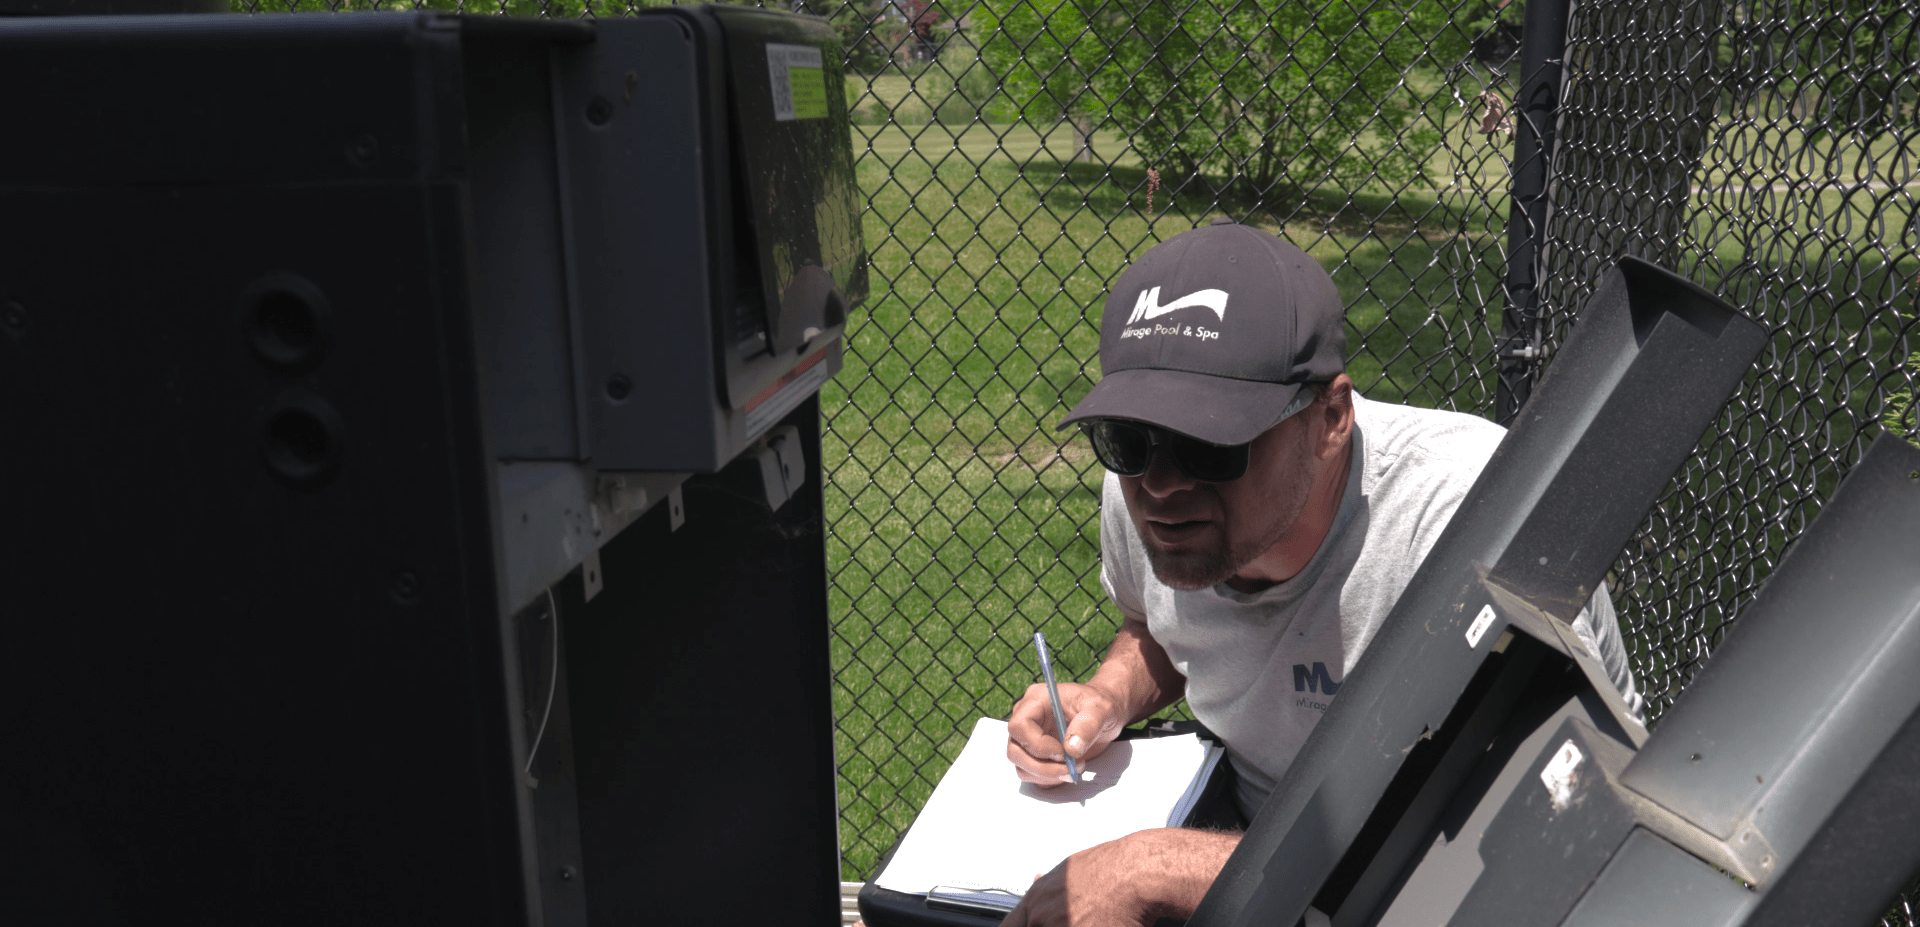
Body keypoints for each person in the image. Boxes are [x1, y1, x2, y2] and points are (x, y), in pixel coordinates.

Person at [998, 221, 1641, 927]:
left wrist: (1166, 867)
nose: (1161, 483)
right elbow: (1160, 629)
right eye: (1127, 439)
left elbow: (1541, 826)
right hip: (1258, 856)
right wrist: (1108, 694)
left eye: (1208, 445)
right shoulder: (1146, 500)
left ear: (1331, 417)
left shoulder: (1467, 518)